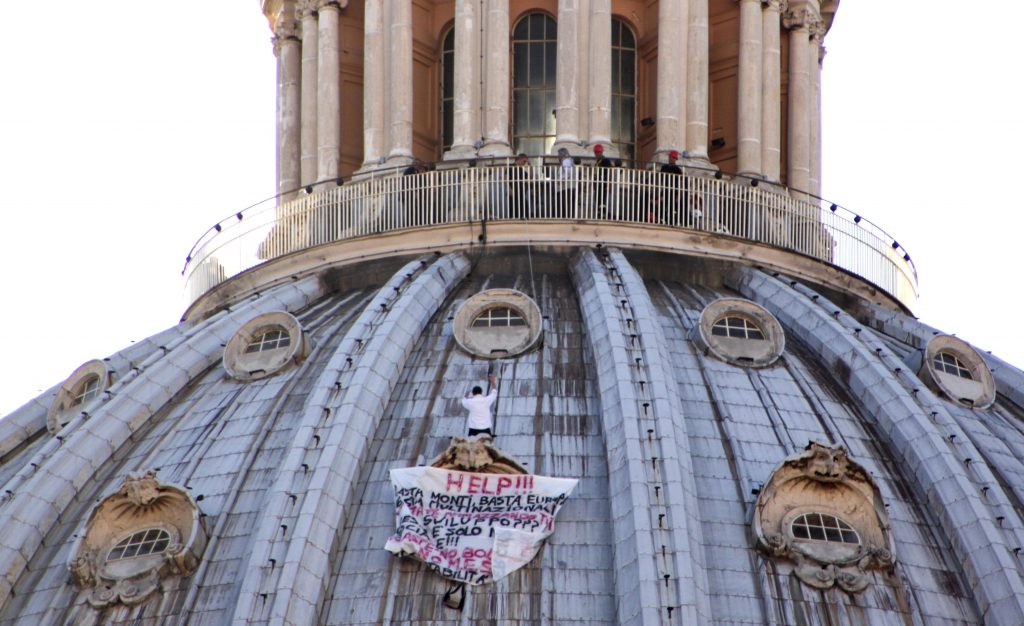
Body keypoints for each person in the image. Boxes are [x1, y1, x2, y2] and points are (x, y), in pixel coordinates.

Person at [591, 144, 613, 217]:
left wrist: (609, 184)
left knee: (602, 200)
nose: (597, 154)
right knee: (597, 199)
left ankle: (603, 214)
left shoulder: (605, 160)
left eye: (598, 153)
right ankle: (600, 213)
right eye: (596, 153)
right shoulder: (598, 162)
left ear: (601, 152)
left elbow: (610, 172)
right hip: (597, 184)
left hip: (603, 183)